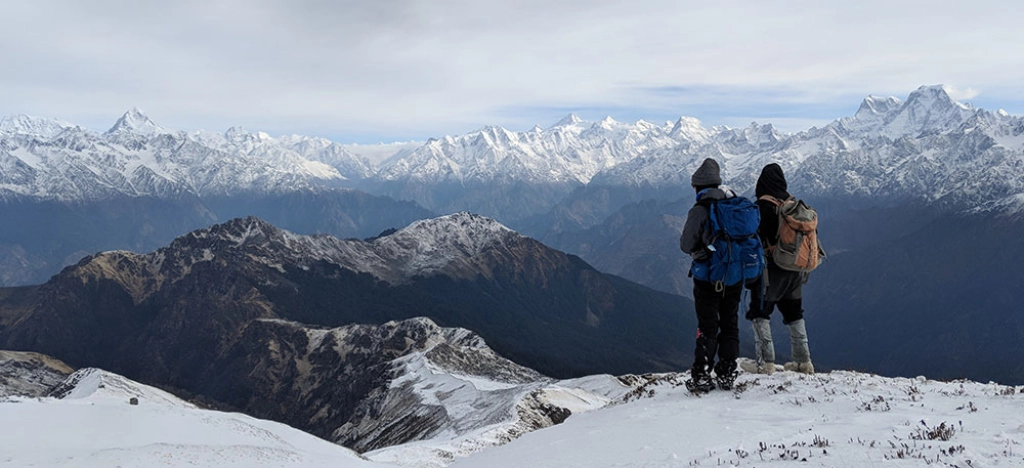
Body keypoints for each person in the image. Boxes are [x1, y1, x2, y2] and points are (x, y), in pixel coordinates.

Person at [743, 163, 814, 375]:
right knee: (794, 313)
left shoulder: (764, 206)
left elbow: (755, 236)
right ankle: (803, 362)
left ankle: (765, 363)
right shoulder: (793, 205)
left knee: (760, 312)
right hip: (795, 269)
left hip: (771, 269)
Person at [679, 158, 742, 392]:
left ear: (697, 187)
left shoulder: (699, 210)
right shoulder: (733, 206)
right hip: (734, 276)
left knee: (707, 326)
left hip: (707, 277)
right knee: (730, 323)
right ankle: (727, 372)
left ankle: (702, 375)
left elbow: (686, 245)